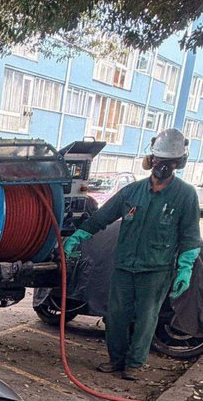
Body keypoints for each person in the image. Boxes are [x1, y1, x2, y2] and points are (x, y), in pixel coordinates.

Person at [63, 128, 200, 381]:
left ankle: (135, 364)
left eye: (169, 162)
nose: (162, 167)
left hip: (156, 270)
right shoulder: (132, 192)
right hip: (124, 266)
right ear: (151, 160)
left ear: (178, 163)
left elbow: (191, 236)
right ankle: (116, 360)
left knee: (147, 318)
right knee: (115, 315)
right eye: (159, 161)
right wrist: (79, 236)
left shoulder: (185, 195)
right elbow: (103, 216)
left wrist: (185, 268)